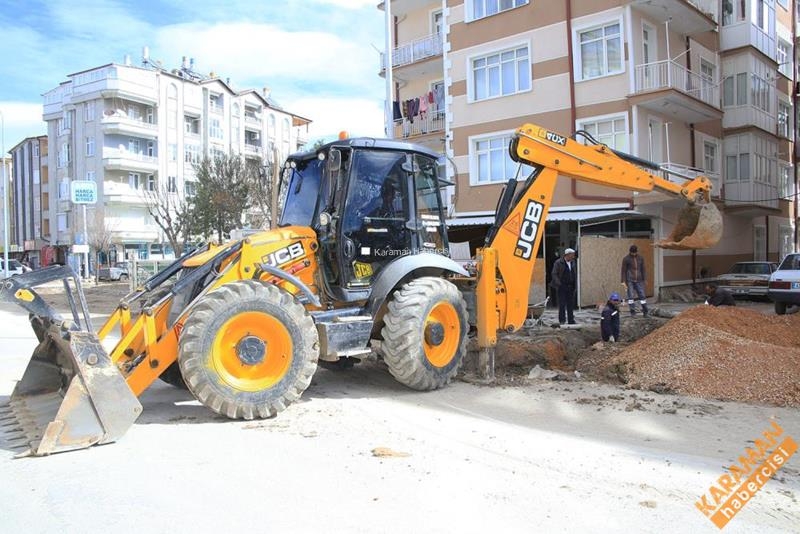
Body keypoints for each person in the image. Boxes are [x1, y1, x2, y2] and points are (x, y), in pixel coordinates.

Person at [621, 244, 649, 317]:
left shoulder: (640, 258)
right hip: (629, 280)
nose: (633, 254)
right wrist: (623, 281)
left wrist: (645, 279)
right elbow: (623, 270)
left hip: (639, 280)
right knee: (630, 297)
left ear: (636, 252)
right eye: (632, 253)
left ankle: (645, 312)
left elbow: (643, 269)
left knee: (642, 296)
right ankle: (633, 313)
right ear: (630, 252)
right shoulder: (626, 259)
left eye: (634, 252)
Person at [551, 248, 577, 325]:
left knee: (570, 304)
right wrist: (559, 283)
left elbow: (574, 273)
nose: (573, 256)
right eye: (572, 255)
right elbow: (554, 274)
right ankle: (562, 320)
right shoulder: (558, 262)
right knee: (562, 304)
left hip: (571, 286)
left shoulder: (573, 262)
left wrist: (574, 284)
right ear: (567, 255)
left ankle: (571, 320)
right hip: (562, 286)